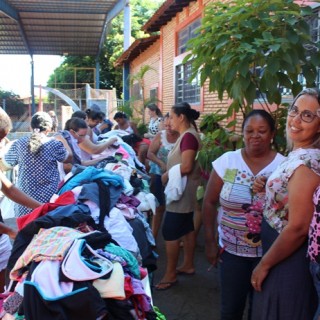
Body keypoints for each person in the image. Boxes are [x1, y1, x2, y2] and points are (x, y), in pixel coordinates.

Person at [202, 109, 285, 320]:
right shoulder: (228, 162)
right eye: (249, 130)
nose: (255, 136)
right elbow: (210, 202)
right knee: (230, 310)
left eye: (262, 131)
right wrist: (211, 242)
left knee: (260, 312)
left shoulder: (284, 166)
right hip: (231, 253)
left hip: (270, 255)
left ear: (272, 134)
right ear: (242, 133)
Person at [250, 88, 320, 319]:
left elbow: (298, 227)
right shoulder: (301, 153)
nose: (296, 119)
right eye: (295, 110)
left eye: (308, 115)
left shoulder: (306, 164)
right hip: (280, 249)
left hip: (288, 256)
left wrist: (265, 264)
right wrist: (270, 185)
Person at [155, 102, 201, 290]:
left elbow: (187, 166)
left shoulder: (188, 137)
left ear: (181, 117)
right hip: (186, 190)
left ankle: (170, 274)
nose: (169, 121)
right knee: (187, 228)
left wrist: (167, 175)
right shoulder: (187, 135)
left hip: (182, 192)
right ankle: (188, 264)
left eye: (171, 117)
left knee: (171, 232)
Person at [1, 112, 70, 217]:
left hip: (24, 202)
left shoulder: (19, 143)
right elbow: (68, 158)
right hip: (49, 202)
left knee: (26, 230)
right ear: (49, 129)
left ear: (30, 126)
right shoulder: (54, 144)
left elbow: (5, 165)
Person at [147, 113, 179, 241]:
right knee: (159, 207)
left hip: (176, 176)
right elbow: (150, 153)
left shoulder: (182, 137)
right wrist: (161, 163)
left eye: (170, 125)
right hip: (159, 174)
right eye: (166, 125)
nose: (168, 128)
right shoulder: (160, 136)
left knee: (176, 207)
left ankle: (177, 237)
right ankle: (153, 238)